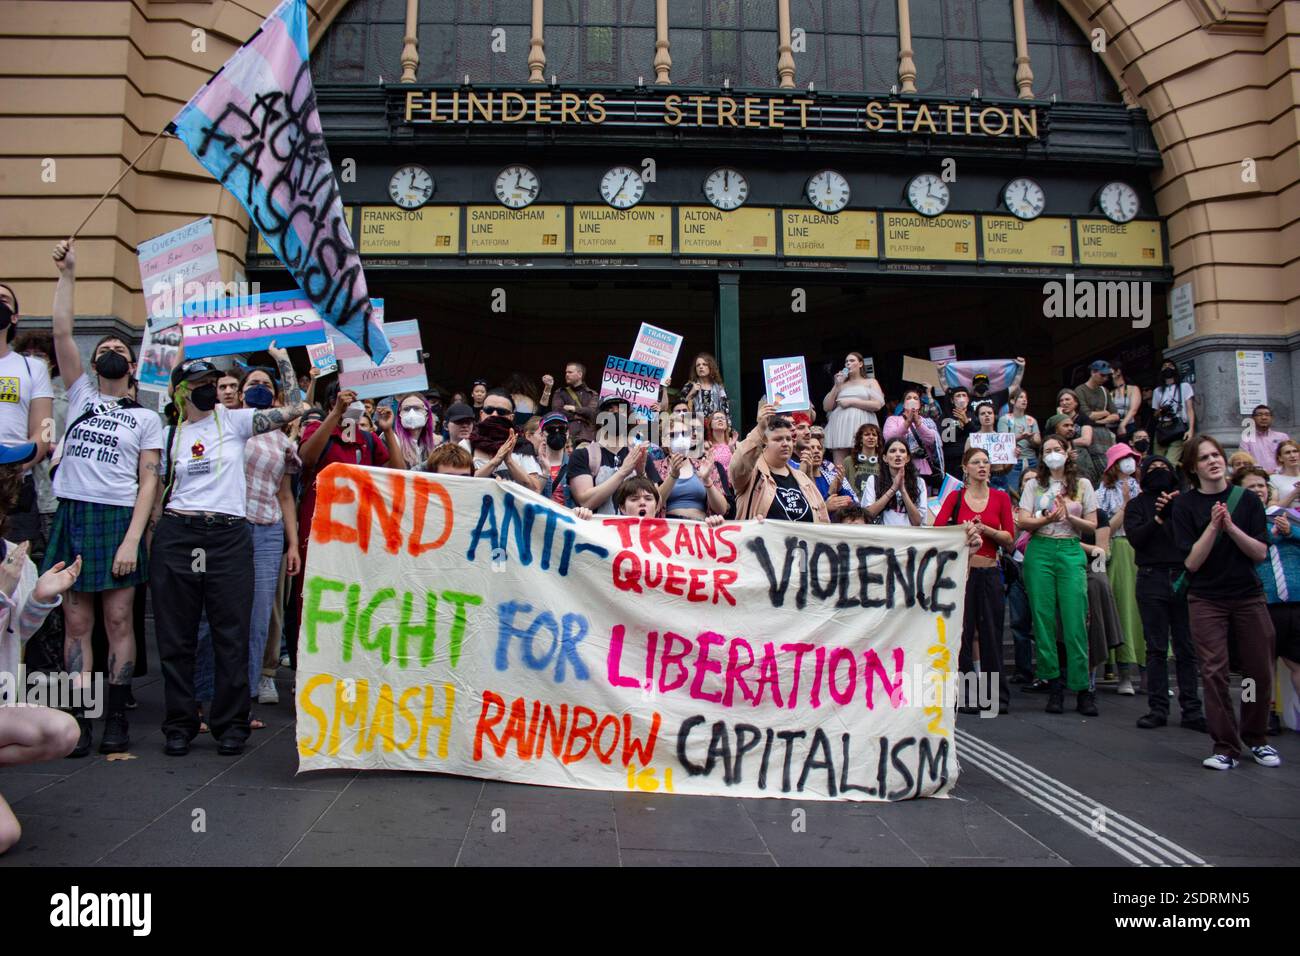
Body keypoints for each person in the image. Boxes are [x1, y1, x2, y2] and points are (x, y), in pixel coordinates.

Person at [151, 350, 309, 757]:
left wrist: (282, 360)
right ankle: (181, 723)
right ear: (181, 393)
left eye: (214, 385)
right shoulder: (170, 434)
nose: (211, 391)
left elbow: (297, 407)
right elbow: (155, 491)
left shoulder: (236, 422)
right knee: (177, 635)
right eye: (201, 386)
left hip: (227, 536)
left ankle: (231, 723)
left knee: (231, 633)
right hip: (178, 532)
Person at [45, 239, 162, 755]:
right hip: (75, 514)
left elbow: (149, 481)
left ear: (132, 366)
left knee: (118, 620)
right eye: (104, 351)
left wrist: (133, 540)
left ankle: (116, 715)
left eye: (121, 350)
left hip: (119, 520)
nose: (112, 353)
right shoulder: (80, 396)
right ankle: (81, 717)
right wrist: (68, 274)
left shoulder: (146, 417)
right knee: (77, 622)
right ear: (93, 366)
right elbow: (61, 332)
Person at [1171, 435, 1279, 770]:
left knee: (1255, 671)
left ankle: (1255, 735)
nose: (1213, 461)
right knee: (1214, 671)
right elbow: (1191, 562)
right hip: (1206, 599)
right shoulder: (1185, 506)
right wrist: (1214, 527)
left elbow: (1260, 552)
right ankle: (1226, 744)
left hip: (1248, 595)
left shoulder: (1245, 500)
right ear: (1193, 467)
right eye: (1204, 458)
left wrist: (1231, 528)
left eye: (1216, 455)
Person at [0, 444, 83, 855]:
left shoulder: (15, 557)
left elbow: (16, 636)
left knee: (63, 731)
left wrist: (39, 599)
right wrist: (2, 594)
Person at [1016, 435, 1099, 716]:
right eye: (1047, 450)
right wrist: (1047, 519)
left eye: (1057, 449)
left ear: (1067, 452)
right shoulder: (1033, 484)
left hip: (1069, 548)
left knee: (1075, 617)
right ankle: (1053, 684)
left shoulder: (1083, 484)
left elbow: (1092, 525)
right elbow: (1023, 520)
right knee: (1043, 618)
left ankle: (1082, 687)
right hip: (1040, 548)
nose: (1053, 454)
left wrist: (1068, 517)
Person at [1125, 454, 1206, 730]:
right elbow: (1137, 539)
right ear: (1142, 475)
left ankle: (1192, 709)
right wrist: (1159, 518)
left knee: (1186, 647)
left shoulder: (1186, 502)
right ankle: (1157, 708)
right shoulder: (1136, 505)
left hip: (1182, 576)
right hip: (1151, 577)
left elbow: (1195, 538)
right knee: (1156, 647)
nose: (1159, 471)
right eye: (1153, 468)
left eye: (1164, 468)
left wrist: (1176, 513)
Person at [936, 447, 1015, 714]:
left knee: (992, 635)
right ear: (965, 468)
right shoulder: (956, 498)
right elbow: (937, 530)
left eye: (985, 462)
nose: (982, 466)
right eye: (976, 462)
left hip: (990, 571)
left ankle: (996, 698)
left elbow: (1009, 538)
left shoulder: (1001, 498)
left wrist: (986, 529)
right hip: (963, 575)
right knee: (963, 634)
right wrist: (963, 531)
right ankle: (969, 695)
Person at [1236, 467, 1300, 735]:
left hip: (1295, 602)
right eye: (1251, 487)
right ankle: (1265, 715)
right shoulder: (1239, 519)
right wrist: (1276, 533)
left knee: (1296, 662)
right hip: (1261, 603)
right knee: (1262, 664)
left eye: (1262, 486)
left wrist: (1291, 533)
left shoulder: (1287, 516)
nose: (1258, 491)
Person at [0, 277, 53, 552]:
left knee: (14, 572)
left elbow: (43, 432)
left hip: (15, 484)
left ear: (14, 316)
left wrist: (11, 472)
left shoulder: (33, 367)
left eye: (3, 300)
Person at [1095, 443, 1145, 696]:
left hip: (1140, 550)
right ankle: (1122, 671)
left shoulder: (1142, 488)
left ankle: (1148, 674)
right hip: (1117, 549)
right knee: (1122, 610)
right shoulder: (1103, 491)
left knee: (1142, 612)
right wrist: (1125, 506)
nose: (1129, 463)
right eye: (1124, 459)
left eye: (1132, 458)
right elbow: (1104, 527)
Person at [729, 401, 828, 522]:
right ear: (764, 442)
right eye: (778, 439)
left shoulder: (803, 479)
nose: (785, 443)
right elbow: (740, 463)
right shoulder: (752, 475)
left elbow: (823, 524)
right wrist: (760, 429)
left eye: (788, 439)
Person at [567, 397, 648, 515]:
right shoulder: (582, 455)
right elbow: (585, 502)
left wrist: (641, 474)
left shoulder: (640, 455)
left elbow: (656, 503)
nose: (616, 413)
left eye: (621, 410)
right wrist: (623, 472)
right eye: (609, 410)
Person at [651, 415, 729, 521]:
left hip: (700, 530)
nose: (680, 438)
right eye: (673, 435)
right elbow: (653, 506)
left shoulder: (705, 466)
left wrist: (707, 481)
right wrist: (673, 476)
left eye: (684, 434)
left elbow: (722, 510)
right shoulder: (654, 467)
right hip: (669, 532)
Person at [470, 390, 544, 492]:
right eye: (489, 410)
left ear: (511, 417)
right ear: (482, 414)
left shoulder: (522, 445)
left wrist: (509, 461)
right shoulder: (467, 444)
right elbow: (461, 484)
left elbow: (535, 489)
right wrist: (495, 461)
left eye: (501, 412)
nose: (494, 415)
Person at [822, 352, 884, 468]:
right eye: (846, 362)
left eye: (852, 361)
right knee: (840, 467)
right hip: (840, 427)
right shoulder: (841, 385)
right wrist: (836, 385)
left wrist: (851, 402)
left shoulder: (870, 382)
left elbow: (877, 404)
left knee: (863, 465)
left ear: (860, 364)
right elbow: (827, 407)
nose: (848, 363)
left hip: (861, 424)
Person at [883, 389, 943, 493]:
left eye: (915, 398)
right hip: (898, 466)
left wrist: (918, 424)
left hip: (923, 468)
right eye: (908, 398)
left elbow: (932, 440)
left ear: (920, 404)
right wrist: (907, 423)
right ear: (903, 404)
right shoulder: (893, 420)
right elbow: (889, 438)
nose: (912, 400)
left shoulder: (927, 421)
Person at [861, 438, 927, 526]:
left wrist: (903, 490)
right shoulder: (873, 480)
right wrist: (893, 489)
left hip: (909, 536)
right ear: (885, 458)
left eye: (902, 451)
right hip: (883, 536)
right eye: (892, 451)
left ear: (907, 458)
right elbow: (867, 515)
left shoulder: (919, 482)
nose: (898, 454)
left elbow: (918, 522)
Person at [1152, 360, 1195, 465]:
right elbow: (1155, 414)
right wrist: (1162, 410)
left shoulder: (1184, 386)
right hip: (1163, 428)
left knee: (1170, 462)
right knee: (1157, 461)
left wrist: (1191, 429)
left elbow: (1190, 409)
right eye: (1164, 366)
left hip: (1178, 427)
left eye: (1170, 366)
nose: (1167, 368)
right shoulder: (1157, 391)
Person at [999, 388, 1040, 495]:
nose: (1024, 400)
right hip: (1013, 461)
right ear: (1012, 401)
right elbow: (1002, 441)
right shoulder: (1005, 419)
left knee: (1034, 492)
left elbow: (1038, 442)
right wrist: (1021, 436)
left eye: (1026, 398)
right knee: (1013, 491)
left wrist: (1030, 438)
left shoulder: (1031, 420)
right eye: (1021, 397)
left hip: (1031, 460)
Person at [548, 362, 600, 445]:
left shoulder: (592, 394)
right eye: (566, 372)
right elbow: (557, 413)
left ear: (579, 374)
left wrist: (574, 409)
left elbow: (592, 413)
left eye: (570, 372)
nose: (566, 375)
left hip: (587, 439)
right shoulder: (560, 392)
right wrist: (581, 416)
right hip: (566, 438)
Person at [1074, 360, 1119, 455]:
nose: (1105, 378)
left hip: (1104, 431)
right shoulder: (1080, 390)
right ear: (1093, 372)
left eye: (1107, 375)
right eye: (1102, 375)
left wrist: (1100, 421)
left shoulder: (1104, 390)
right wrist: (1105, 413)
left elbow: (1115, 415)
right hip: (1086, 431)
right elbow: (1087, 415)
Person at [967, 401, 1012, 490]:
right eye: (983, 413)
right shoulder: (971, 440)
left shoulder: (1003, 439)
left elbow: (1006, 469)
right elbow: (965, 465)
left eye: (989, 413)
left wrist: (1013, 456)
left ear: (994, 416)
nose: (986, 415)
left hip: (1000, 478)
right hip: (978, 479)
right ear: (978, 418)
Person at [392, 392, 440, 469]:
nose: (412, 413)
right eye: (406, 409)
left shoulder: (433, 444)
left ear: (427, 415)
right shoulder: (390, 439)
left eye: (417, 408)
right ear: (399, 415)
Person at [840, 422, 883, 503]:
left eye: (874, 435)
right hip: (854, 507)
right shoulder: (848, 461)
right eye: (867, 434)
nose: (871, 437)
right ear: (860, 439)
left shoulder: (883, 463)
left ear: (878, 440)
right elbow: (841, 486)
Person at [535, 412, 571, 505]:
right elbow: (529, 497)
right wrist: (545, 472)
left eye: (562, 429)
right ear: (542, 435)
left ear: (567, 433)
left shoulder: (575, 464)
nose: (557, 431)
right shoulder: (532, 464)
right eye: (551, 429)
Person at [681, 352, 730, 423]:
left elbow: (726, 410)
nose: (701, 367)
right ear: (695, 369)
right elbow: (680, 409)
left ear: (710, 367)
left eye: (704, 364)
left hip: (714, 428)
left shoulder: (719, 387)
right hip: (695, 428)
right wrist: (691, 393)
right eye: (698, 365)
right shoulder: (689, 385)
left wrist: (729, 429)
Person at [1240, 404, 1288, 474]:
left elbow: (1288, 457)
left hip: (1282, 476)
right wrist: (1263, 472)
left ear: (1271, 418)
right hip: (1258, 476)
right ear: (1253, 418)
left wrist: (1277, 471)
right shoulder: (1246, 439)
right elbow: (1245, 460)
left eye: (1267, 414)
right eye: (1259, 415)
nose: (1264, 417)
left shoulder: (1282, 437)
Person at [1110, 362, 1142, 441]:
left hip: (1129, 425)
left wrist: (1122, 425)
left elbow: (1133, 410)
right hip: (1113, 426)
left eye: (1110, 370)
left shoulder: (1133, 389)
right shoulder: (1110, 393)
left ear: (1118, 371)